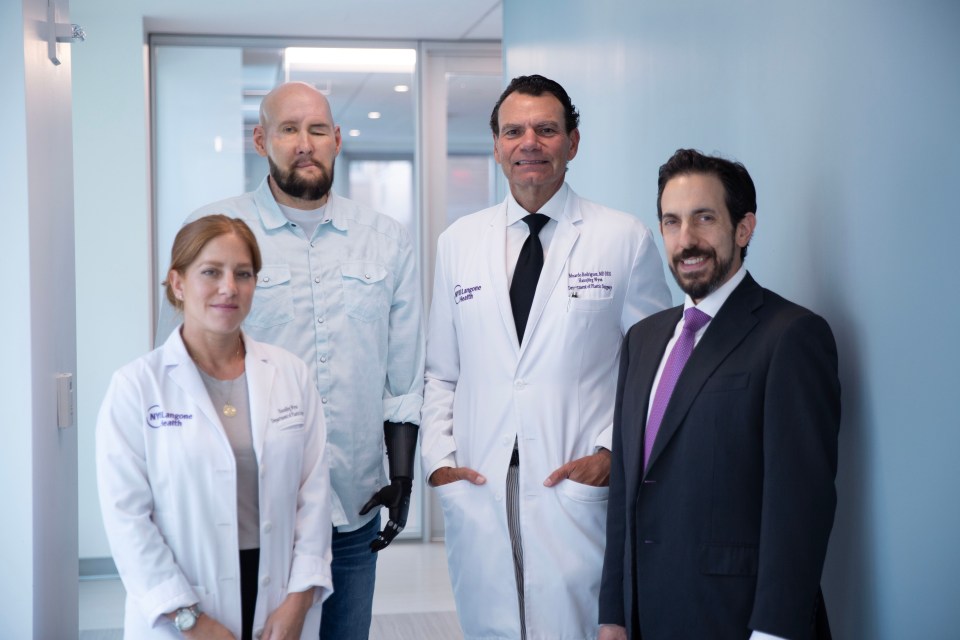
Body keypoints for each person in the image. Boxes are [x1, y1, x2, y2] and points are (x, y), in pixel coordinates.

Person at [156, 82, 424, 640]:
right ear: (261, 139)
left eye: (318, 130)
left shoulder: (386, 239)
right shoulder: (218, 232)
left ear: (338, 140)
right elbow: (178, 371)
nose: (305, 143)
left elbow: (403, 370)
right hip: (253, 508)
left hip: (353, 502)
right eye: (289, 129)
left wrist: (402, 473)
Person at [421, 74, 672, 640]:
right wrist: (439, 462)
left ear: (573, 142)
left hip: (573, 480)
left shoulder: (622, 239)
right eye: (513, 131)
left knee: (575, 624)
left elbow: (653, 370)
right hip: (483, 481)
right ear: (496, 146)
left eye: (546, 129)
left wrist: (611, 452)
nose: (528, 142)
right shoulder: (458, 242)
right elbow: (442, 371)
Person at [598, 149, 841, 640]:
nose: (686, 240)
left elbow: (800, 508)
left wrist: (773, 632)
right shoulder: (642, 341)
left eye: (704, 219)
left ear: (744, 228)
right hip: (647, 617)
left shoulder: (791, 336)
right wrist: (613, 614)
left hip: (737, 621)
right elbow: (625, 491)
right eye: (672, 222)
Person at [97, 215, 333, 639]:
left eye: (243, 274)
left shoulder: (291, 375)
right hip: (181, 607)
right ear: (178, 283)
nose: (229, 288)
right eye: (211, 272)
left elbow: (313, 498)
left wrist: (299, 600)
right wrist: (188, 619)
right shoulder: (136, 386)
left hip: (277, 595)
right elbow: (127, 520)